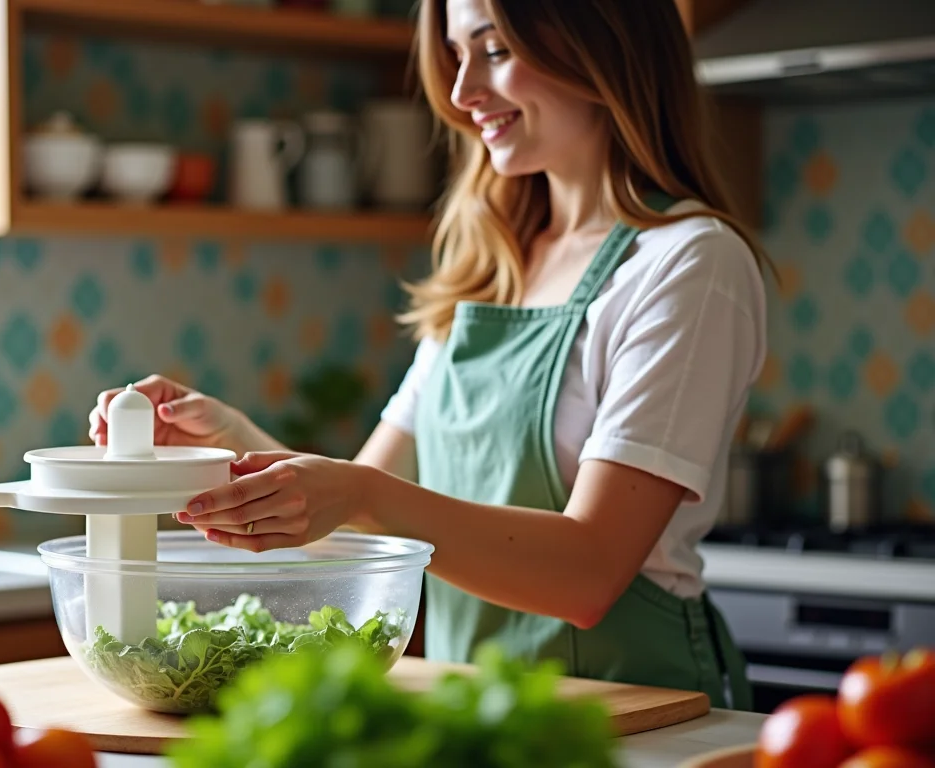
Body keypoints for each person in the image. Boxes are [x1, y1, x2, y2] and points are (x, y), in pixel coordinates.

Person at [88, 0, 769, 710]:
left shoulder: (690, 264)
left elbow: (588, 573)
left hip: (639, 720)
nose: (462, 92)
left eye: (494, 50)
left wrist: (360, 493)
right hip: (480, 714)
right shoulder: (492, 267)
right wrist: (229, 444)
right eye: (456, 56)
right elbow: (354, 524)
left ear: (605, 46)